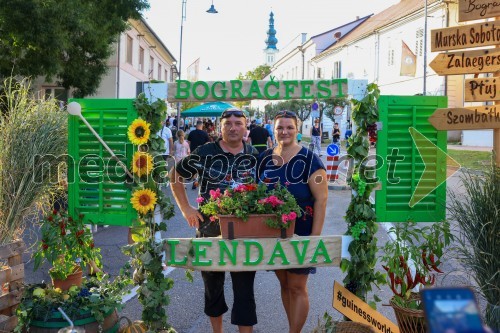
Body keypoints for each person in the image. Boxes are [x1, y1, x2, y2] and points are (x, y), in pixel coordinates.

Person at [170, 108, 259, 333]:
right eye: (228, 123)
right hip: (209, 229)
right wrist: (185, 209)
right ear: (220, 127)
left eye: (238, 123)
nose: (233, 127)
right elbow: (175, 175)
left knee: (245, 290)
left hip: (245, 232)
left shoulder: (254, 155)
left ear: (245, 127)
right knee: (213, 288)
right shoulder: (205, 151)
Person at [257, 110, 328, 333]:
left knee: (297, 286)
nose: (284, 131)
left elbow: (322, 199)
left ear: (297, 130)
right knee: (285, 284)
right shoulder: (265, 158)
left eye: (289, 127)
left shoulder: (309, 159)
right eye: (280, 127)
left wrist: (314, 239)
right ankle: (292, 328)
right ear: (273, 129)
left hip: (302, 232)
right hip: (273, 232)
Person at [187, 120, 210, 189]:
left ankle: (195, 181)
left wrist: (189, 151)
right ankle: (200, 181)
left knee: (194, 167)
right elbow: (207, 143)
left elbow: (188, 143)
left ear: (196, 125)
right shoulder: (205, 133)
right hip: (202, 153)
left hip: (193, 152)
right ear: (202, 125)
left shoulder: (191, 133)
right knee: (201, 167)